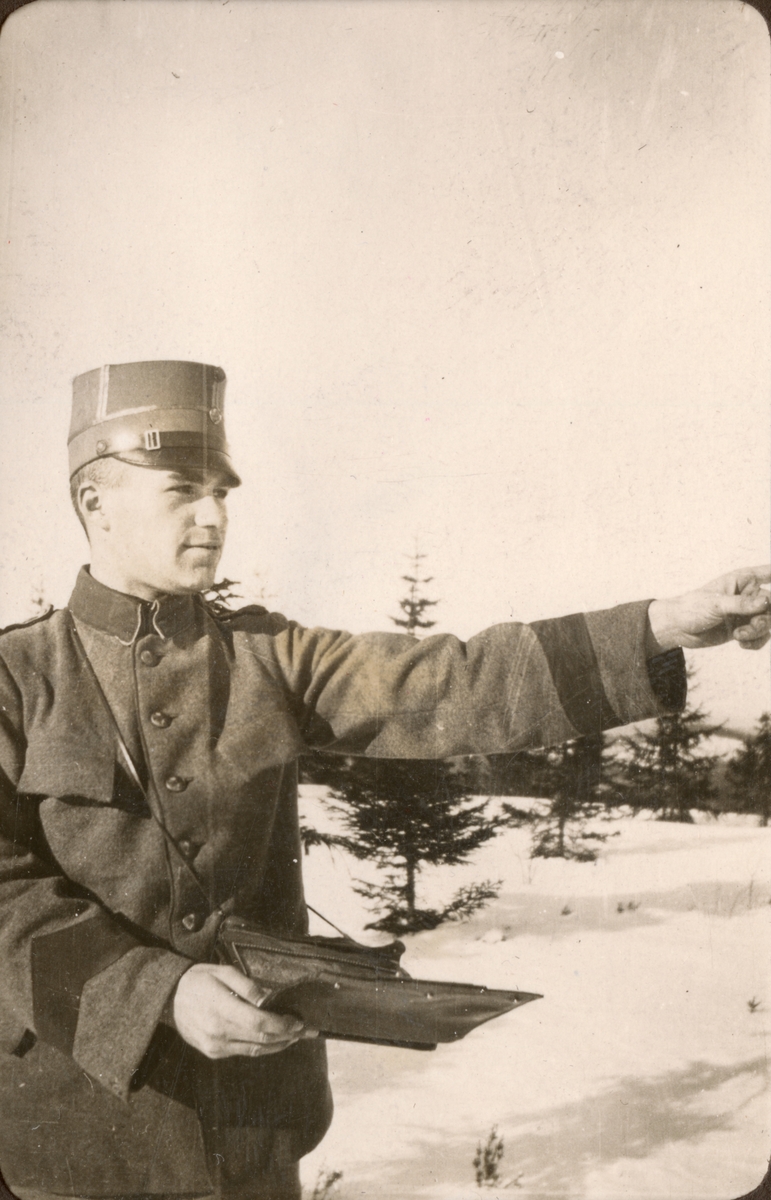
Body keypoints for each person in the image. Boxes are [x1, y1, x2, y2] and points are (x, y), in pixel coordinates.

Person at [0, 360, 767, 1200]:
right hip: (78, 1139)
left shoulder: (267, 658)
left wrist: (660, 627)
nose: (214, 517)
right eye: (183, 490)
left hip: (252, 1132)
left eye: (222, 493)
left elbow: (457, 682)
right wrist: (159, 993)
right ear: (95, 502)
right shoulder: (17, 680)